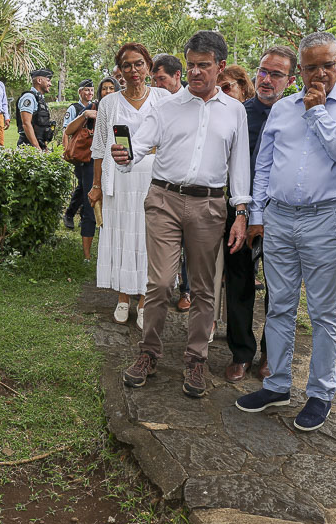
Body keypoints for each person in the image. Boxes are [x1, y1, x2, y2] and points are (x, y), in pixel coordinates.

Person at [235, 32, 336, 431]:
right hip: (278, 218)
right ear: (301, 70)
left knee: (323, 312)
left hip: (324, 219)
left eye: (328, 65)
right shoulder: (281, 109)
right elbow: (264, 165)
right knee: (279, 305)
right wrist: (257, 214)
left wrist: (317, 113)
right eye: (312, 67)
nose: (320, 74)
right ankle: (277, 384)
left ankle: (320, 393)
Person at [113, 31, 250, 399]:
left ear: (220, 67)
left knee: (204, 288)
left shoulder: (235, 111)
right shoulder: (167, 107)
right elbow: (139, 145)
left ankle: (196, 358)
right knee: (160, 283)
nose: (194, 72)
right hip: (164, 199)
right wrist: (126, 155)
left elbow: (240, 165)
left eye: (203, 65)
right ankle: (148, 353)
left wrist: (240, 211)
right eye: (190, 65)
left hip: (209, 205)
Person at [221, 46, 297, 381]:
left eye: (276, 74)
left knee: (280, 287)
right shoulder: (238, 113)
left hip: (282, 214)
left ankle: (270, 353)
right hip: (239, 211)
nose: (266, 79)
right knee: (239, 282)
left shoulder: (298, 115)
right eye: (263, 71)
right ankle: (241, 353)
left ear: (290, 80)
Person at [91, 47, 165, 328]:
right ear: (119, 70)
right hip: (119, 182)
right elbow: (100, 148)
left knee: (149, 239)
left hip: (154, 181)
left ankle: (145, 300)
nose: (133, 70)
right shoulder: (109, 103)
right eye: (126, 65)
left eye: (139, 64)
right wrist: (96, 185)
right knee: (122, 238)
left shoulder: (163, 98)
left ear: (149, 66)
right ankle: (123, 298)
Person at [151, 53, 192, 311]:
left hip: (190, 186)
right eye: (154, 80)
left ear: (177, 76)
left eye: (162, 79)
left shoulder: (195, 101)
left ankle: (186, 290)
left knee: (189, 244)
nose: (158, 85)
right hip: (161, 183)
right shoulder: (156, 103)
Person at [62, 80, 98, 258]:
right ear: (80, 92)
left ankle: (75, 214)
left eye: (92, 90)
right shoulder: (75, 108)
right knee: (83, 187)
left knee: (83, 187)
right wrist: (67, 151)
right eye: (87, 90)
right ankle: (70, 214)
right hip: (83, 155)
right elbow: (67, 132)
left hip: (91, 157)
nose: (89, 93)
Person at [16, 68, 56, 150]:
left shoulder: (40, 99)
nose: (50, 84)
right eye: (48, 81)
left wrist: (44, 147)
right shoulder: (29, 98)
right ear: (39, 81)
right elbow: (26, 124)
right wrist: (37, 148)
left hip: (39, 144)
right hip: (28, 146)